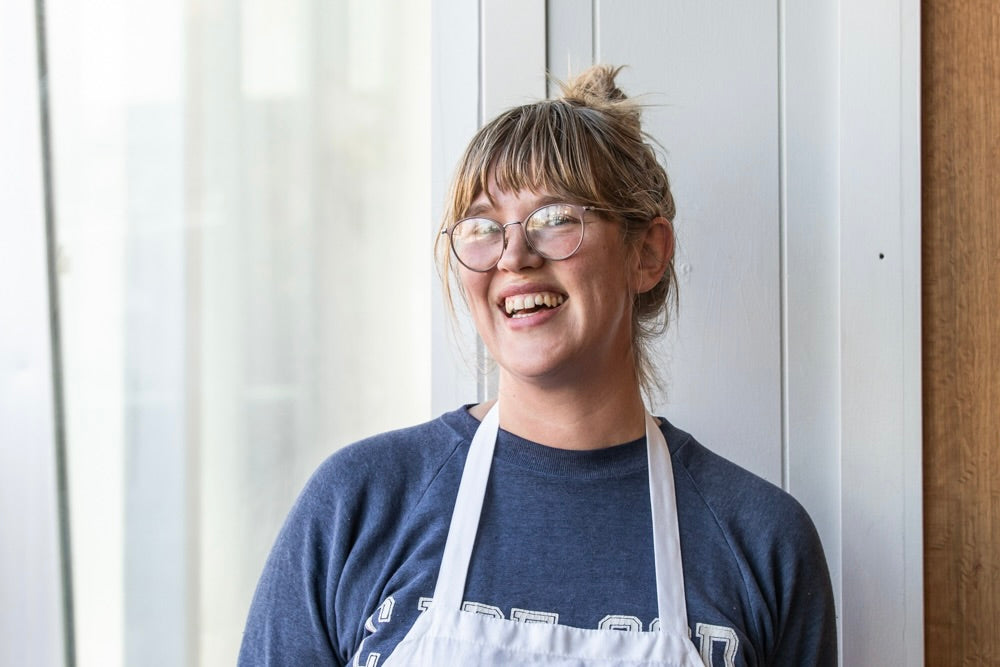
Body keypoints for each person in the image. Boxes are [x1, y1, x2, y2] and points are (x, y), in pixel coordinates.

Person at [239, 65, 837, 666]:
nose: (514, 256)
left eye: (555, 219)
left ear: (647, 254)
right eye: (482, 227)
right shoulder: (359, 505)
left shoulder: (762, 542)